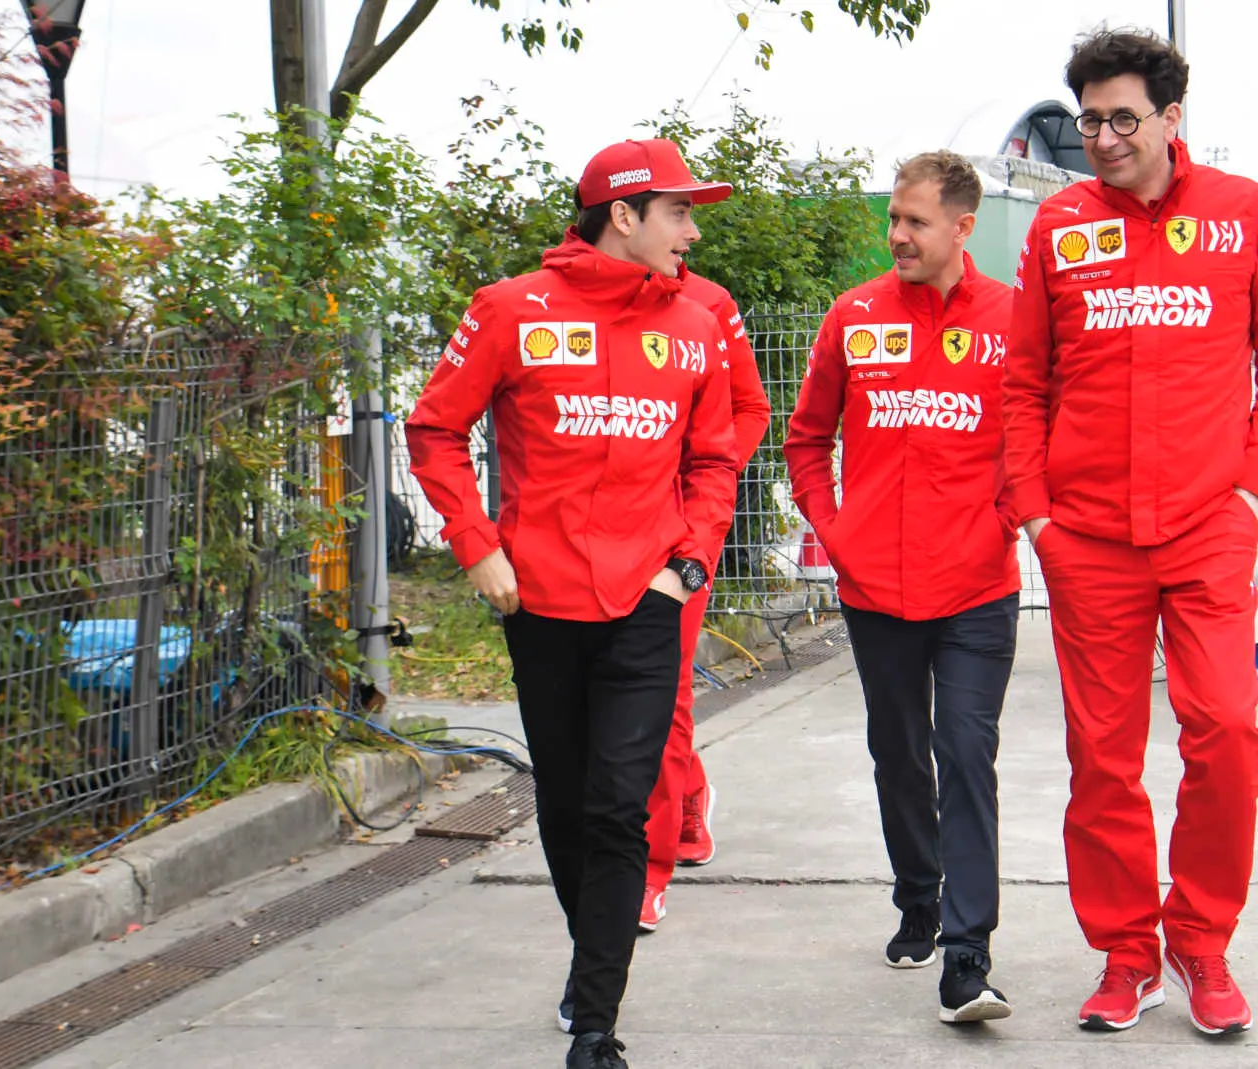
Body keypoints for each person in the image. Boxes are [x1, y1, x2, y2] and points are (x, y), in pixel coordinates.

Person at [406, 138, 740, 1069]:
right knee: (563, 799)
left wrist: (691, 562)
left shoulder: (698, 320)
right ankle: (591, 954)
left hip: (647, 600)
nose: (693, 228)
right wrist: (477, 545)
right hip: (540, 602)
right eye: (678, 210)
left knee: (618, 808)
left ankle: (597, 1020)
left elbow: (715, 456)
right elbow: (434, 428)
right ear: (623, 214)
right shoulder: (511, 309)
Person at [1002, 29, 1258, 1037]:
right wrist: (1038, 513)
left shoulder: (1241, 215)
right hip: (1087, 536)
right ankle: (1127, 951)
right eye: (1087, 119)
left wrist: (1252, 494)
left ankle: (1203, 943)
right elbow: (1024, 385)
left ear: (1173, 119)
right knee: (1102, 755)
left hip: (1208, 527)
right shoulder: (1058, 226)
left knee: (1226, 730)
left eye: (1121, 118)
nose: (1101, 137)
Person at [784, 150, 1020, 1025]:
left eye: (916, 221)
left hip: (977, 587)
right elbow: (806, 439)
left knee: (965, 752)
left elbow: (1042, 435)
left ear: (963, 227)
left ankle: (967, 952)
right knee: (899, 752)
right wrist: (835, 529)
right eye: (893, 218)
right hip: (874, 584)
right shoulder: (854, 317)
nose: (898, 236)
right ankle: (918, 894)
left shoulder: (1013, 319)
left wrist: (1003, 519)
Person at [637, 265, 770, 930]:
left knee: (666, 687)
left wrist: (705, 479)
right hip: (598, 534)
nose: (688, 231)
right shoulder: (562, 303)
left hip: (684, 532)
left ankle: (648, 866)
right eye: (677, 211)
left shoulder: (711, 302)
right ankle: (688, 788)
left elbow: (751, 408)